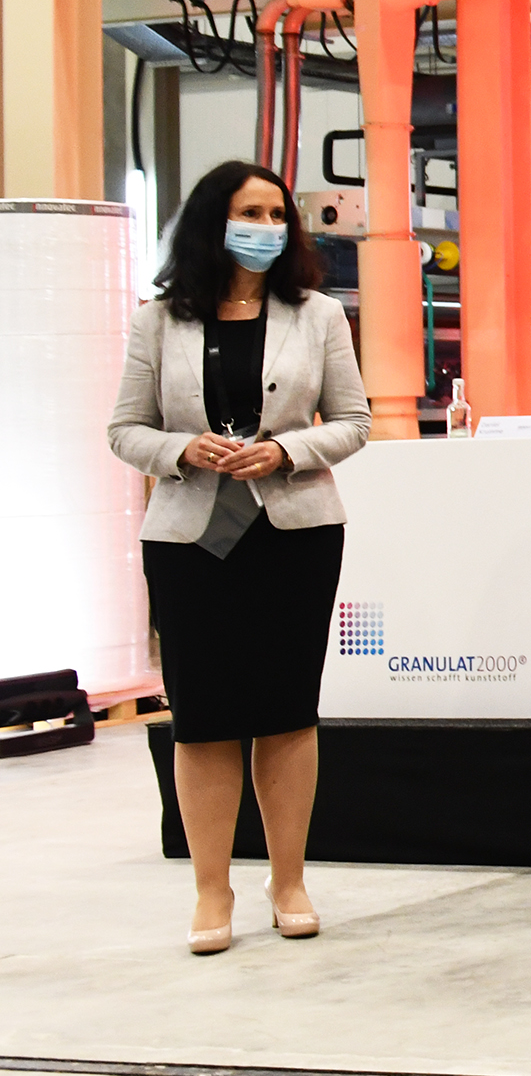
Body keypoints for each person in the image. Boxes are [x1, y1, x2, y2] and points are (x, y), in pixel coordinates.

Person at [107, 160, 372, 954]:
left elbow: (353, 420)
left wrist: (286, 449)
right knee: (205, 720)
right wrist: (183, 446)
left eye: (276, 213)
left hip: (293, 534)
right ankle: (210, 889)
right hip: (191, 540)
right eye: (248, 211)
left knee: (287, 712)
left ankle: (287, 879)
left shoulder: (318, 313)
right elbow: (124, 429)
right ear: (210, 220)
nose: (265, 226)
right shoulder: (159, 320)